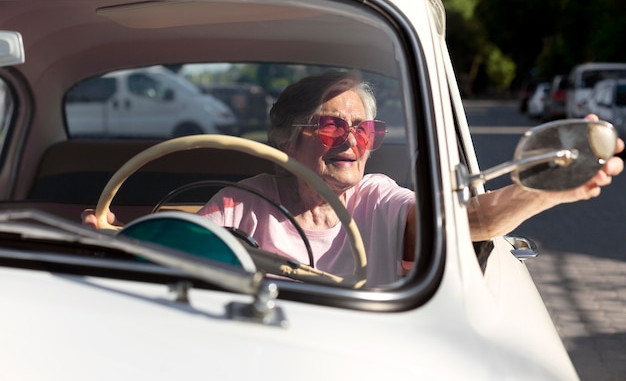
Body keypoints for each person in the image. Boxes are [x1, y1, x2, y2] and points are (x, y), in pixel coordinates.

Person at [82, 70, 624, 287]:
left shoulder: (379, 200)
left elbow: (471, 221)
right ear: (282, 139)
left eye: (363, 130)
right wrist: (116, 246)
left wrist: (544, 186)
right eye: (330, 125)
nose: (350, 141)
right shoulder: (237, 205)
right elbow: (178, 264)